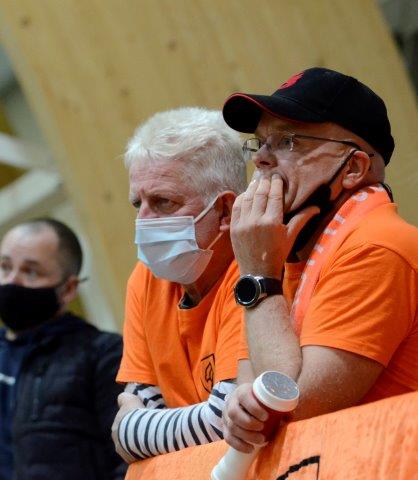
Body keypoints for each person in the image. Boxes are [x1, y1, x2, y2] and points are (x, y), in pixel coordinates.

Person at [220, 67, 418, 453]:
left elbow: (292, 407)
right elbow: (250, 395)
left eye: (287, 141)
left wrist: (259, 276)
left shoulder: (378, 246)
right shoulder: (281, 251)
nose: (261, 159)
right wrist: (241, 409)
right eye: (260, 143)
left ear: (353, 168)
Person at [112, 107, 248, 462]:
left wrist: (134, 429)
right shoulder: (146, 278)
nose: (144, 222)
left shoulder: (256, 269)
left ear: (225, 210)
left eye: (163, 202)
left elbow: (226, 422)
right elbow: (139, 404)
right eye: (138, 204)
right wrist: (136, 429)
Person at [0, 218, 126, 480]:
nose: (12, 281)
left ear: (68, 289)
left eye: (31, 272)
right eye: (5, 267)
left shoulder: (102, 355)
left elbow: (127, 459)